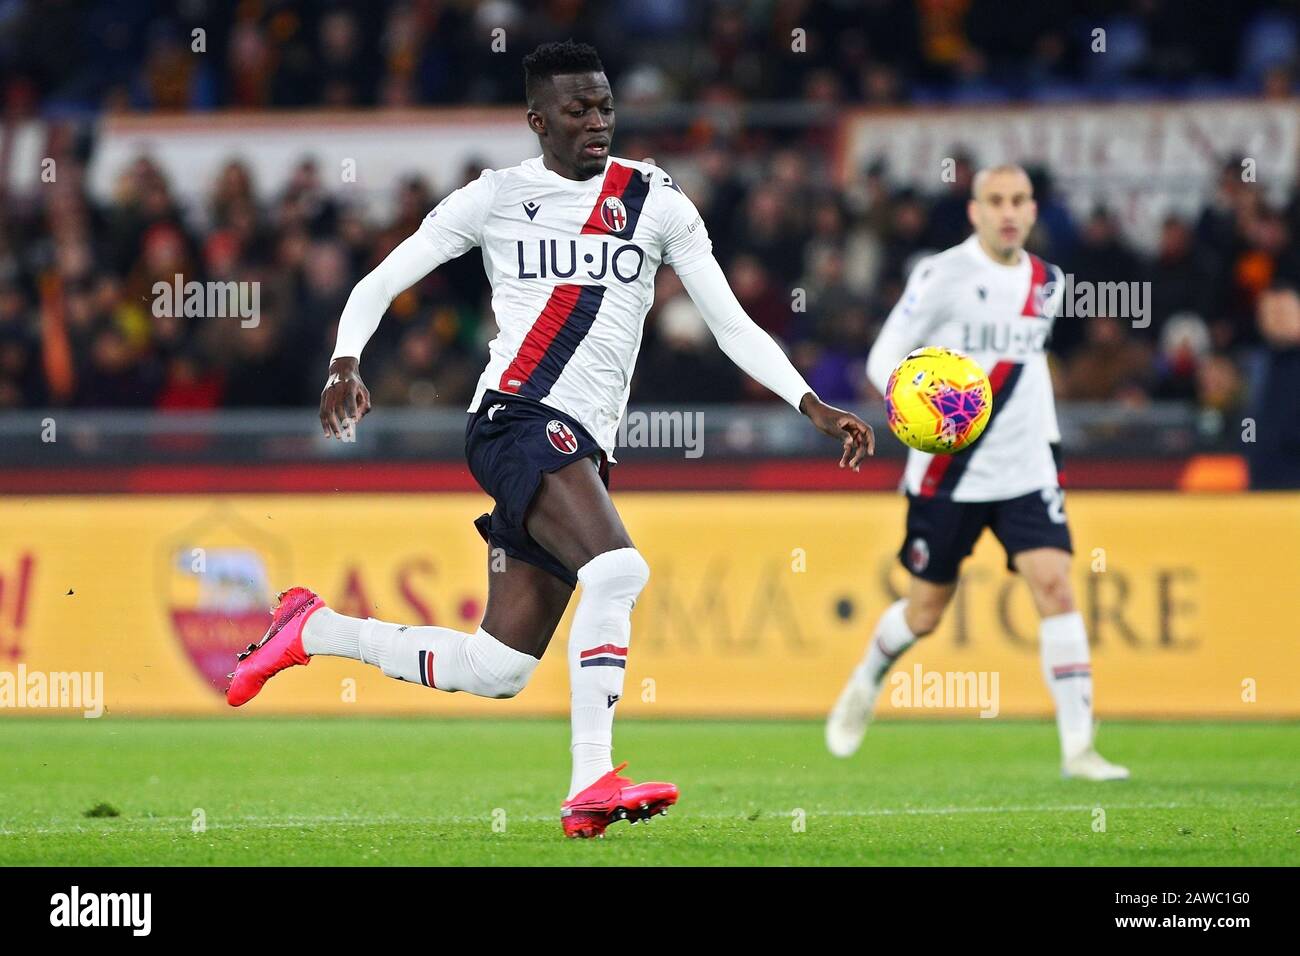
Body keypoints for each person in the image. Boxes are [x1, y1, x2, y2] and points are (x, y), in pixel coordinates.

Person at [225, 40, 874, 837]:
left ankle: (313, 628)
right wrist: (344, 361)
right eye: (577, 110)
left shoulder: (656, 199)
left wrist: (810, 403)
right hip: (516, 420)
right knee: (620, 568)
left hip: (581, 445)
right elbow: (378, 282)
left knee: (496, 668)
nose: (597, 121)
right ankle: (590, 783)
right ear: (538, 120)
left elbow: (731, 321)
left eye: (604, 106)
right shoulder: (495, 197)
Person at [825, 164, 1129, 781]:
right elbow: (886, 354)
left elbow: (1032, 367)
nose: (1008, 211)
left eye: (1019, 200)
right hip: (949, 472)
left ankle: (1079, 750)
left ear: (1034, 209)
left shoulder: (1049, 282)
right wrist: (914, 400)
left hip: (1025, 467)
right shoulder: (940, 274)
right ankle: (866, 680)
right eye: (996, 200)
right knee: (925, 615)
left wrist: (1048, 445)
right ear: (974, 211)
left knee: (1057, 586)